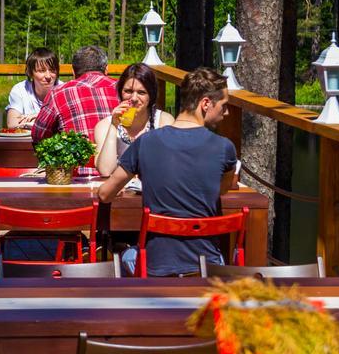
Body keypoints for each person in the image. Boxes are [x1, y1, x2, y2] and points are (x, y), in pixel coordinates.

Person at [98, 67, 238, 277]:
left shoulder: (146, 142)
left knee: (123, 254)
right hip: (207, 267)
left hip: (154, 266)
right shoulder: (225, 147)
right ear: (206, 103)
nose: (226, 113)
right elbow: (221, 189)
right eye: (224, 106)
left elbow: (104, 194)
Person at [92, 63, 174, 177]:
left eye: (142, 92)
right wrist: (114, 125)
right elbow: (106, 170)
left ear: (151, 96)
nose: (134, 98)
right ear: (120, 92)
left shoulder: (164, 122)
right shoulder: (104, 126)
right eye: (128, 91)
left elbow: (168, 166)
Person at [31, 45, 118, 148]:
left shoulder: (58, 93)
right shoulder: (123, 89)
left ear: (73, 71)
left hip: (78, 161)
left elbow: (38, 134)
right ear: (106, 69)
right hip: (119, 160)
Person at [6, 48, 62, 128]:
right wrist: (50, 120)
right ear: (30, 73)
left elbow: (67, 124)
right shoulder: (20, 90)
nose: (48, 76)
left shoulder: (64, 90)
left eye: (52, 70)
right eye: (41, 71)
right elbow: (12, 123)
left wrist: (37, 117)